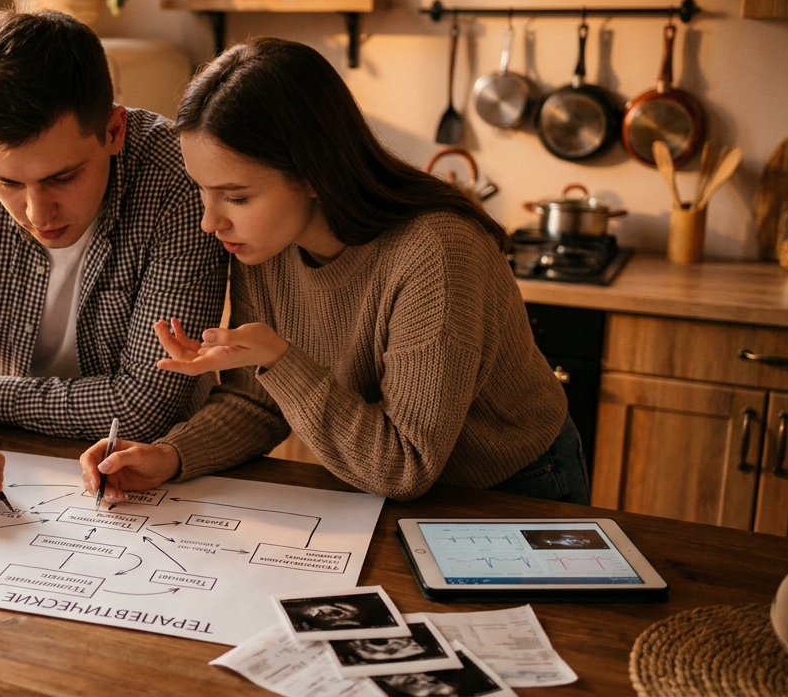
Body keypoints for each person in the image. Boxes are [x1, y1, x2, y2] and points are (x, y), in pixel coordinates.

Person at [79, 37, 587, 505]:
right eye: (202, 190)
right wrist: (169, 455)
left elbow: (405, 465)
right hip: (385, 490)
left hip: (517, 485)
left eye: (236, 195)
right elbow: (258, 405)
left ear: (313, 174)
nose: (211, 221)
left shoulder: (437, 254)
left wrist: (277, 357)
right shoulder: (265, 242)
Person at [0, 10, 227, 510]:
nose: (38, 213)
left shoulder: (178, 181)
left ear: (114, 130)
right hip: (15, 462)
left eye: (62, 177)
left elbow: (147, 406)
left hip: (158, 476)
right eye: (9, 183)